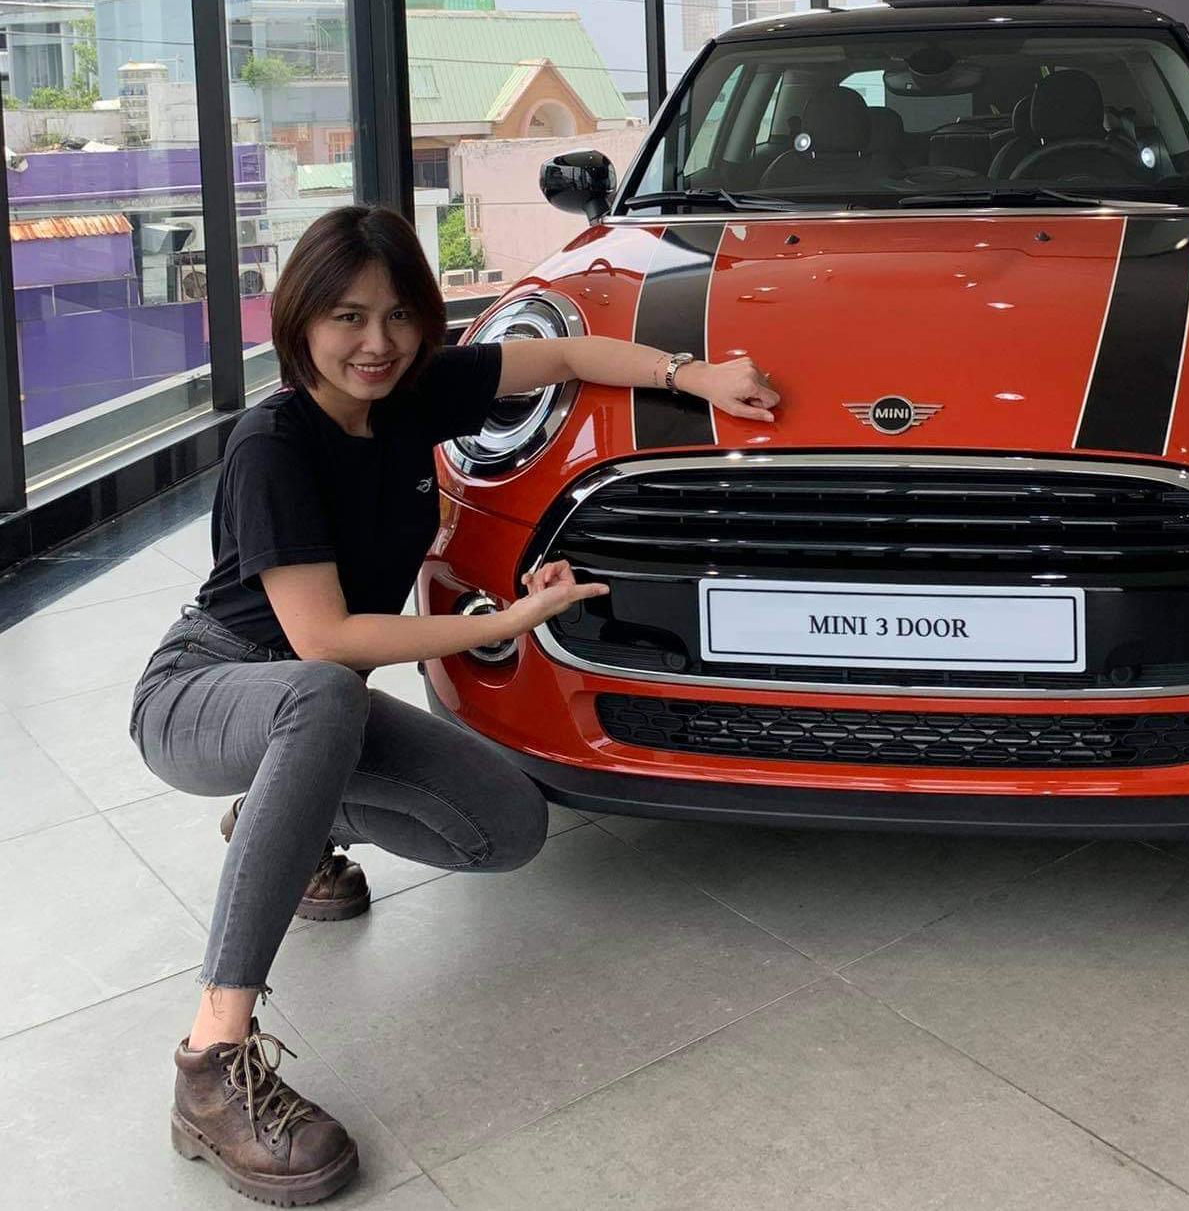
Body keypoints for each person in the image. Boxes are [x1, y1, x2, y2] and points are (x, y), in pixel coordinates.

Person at [127, 204, 779, 1205]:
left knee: (507, 826)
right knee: (320, 691)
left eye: (399, 315)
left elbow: (566, 355)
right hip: (204, 686)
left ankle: (284, 819)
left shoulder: (413, 394)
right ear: (299, 319)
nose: (377, 342)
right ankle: (211, 1065)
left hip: (316, 712)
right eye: (348, 317)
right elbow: (324, 640)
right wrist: (506, 620)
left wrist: (693, 376)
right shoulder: (274, 444)